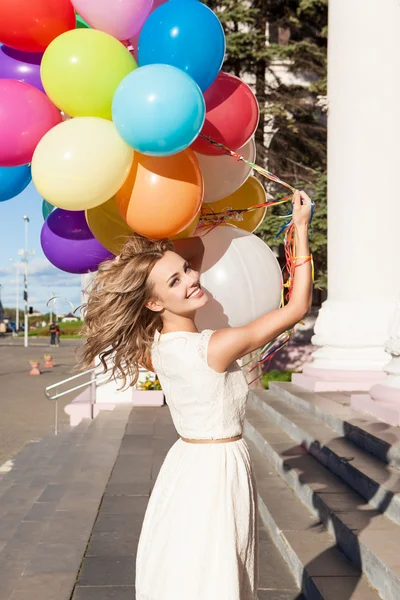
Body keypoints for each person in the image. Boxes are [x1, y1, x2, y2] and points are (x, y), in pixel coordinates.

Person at [80, 190, 313, 599]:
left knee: (189, 562)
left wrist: (189, 223)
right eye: (176, 280)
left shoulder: (154, 349)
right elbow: (295, 308)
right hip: (219, 467)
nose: (192, 278)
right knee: (220, 565)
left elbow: (188, 258)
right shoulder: (215, 347)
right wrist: (301, 229)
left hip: (186, 463)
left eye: (187, 270)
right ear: (153, 301)